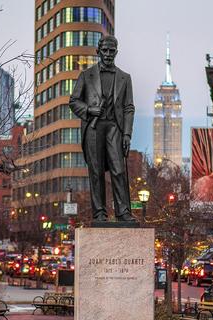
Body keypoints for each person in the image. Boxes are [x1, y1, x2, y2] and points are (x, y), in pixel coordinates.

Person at [69, 35, 136, 222]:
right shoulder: (86, 75)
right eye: (104, 50)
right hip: (94, 127)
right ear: (98, 51)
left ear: (116, 52)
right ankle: (99, 212)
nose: (108, 54)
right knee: (96, 170)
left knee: (118, 169)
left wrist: (127, 134)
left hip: (115, 127)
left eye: (111, 51)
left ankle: (123, 211)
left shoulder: (125, 78)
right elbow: (73, 101)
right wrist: (90, 109)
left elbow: (129, 107)